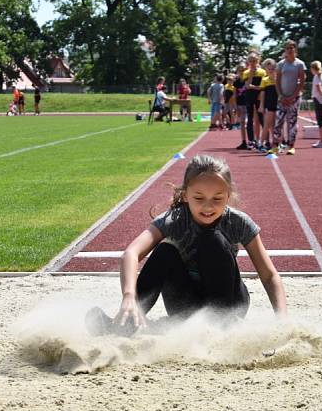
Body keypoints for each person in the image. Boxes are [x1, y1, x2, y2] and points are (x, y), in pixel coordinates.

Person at [113, 154, 287, 328]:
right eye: (199, 198)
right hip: (186, 306)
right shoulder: (174, 219)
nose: (208, 207)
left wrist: (282, 320)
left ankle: (223, 326)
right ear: (186, 195)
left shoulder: (238, 222)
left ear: (228, 196)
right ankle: (128, 321)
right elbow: (132, 253)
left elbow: (269, 275)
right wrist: (129, 296)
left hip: (229, 305)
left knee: (211, 239)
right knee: (164, 251)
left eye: (217, 198)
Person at [274, 40, 306, 155]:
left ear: (295, 49)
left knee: (292, 122)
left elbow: (302, 81)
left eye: (292, 48)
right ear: (285, 50)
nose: (289, 50)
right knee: (278, 122)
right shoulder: (281, 64)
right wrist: (281, 95)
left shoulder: (300, 64)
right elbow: (277, 81)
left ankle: (291, 145)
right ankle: (276, 145)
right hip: (282, 97)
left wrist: (294, 95)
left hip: (295, 97)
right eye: (287, 48)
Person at [243, 52, 266, 148]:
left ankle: (264, 140)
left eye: (255, 61)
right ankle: (251, 140)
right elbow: (247, 86)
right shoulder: (246, 73)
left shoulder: (262, 72)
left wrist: (255, 87)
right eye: (251, 61)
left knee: (261, 118)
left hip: (259, 97)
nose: (253, 63)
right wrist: (251, 75)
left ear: (258, 61)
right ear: (248, 62)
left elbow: (263, 87)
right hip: (249, 97)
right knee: (250, 118)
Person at [257, 58, 279, 153]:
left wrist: (275, 80)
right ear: (266, 69)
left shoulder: (278, 79)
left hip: (278, 104)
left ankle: (276, 144)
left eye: (273, 69)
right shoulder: (264, 80)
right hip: (269, 104)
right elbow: (262, 94)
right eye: (269, 69)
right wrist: (261, 105)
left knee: (276, 126)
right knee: (267, 125)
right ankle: (261, 144)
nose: (271, 71)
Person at [233, 63, 249, 150]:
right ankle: (244, 141)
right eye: (240, 71)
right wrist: (235, 107)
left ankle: (253, 141)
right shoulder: (236, 82)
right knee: (242, 123)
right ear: (237, 72)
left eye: (243, 70)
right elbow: (235, 95)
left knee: (250, 123)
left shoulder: (248, 80)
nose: (242, 72)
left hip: (249, 104)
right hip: (240, 105)